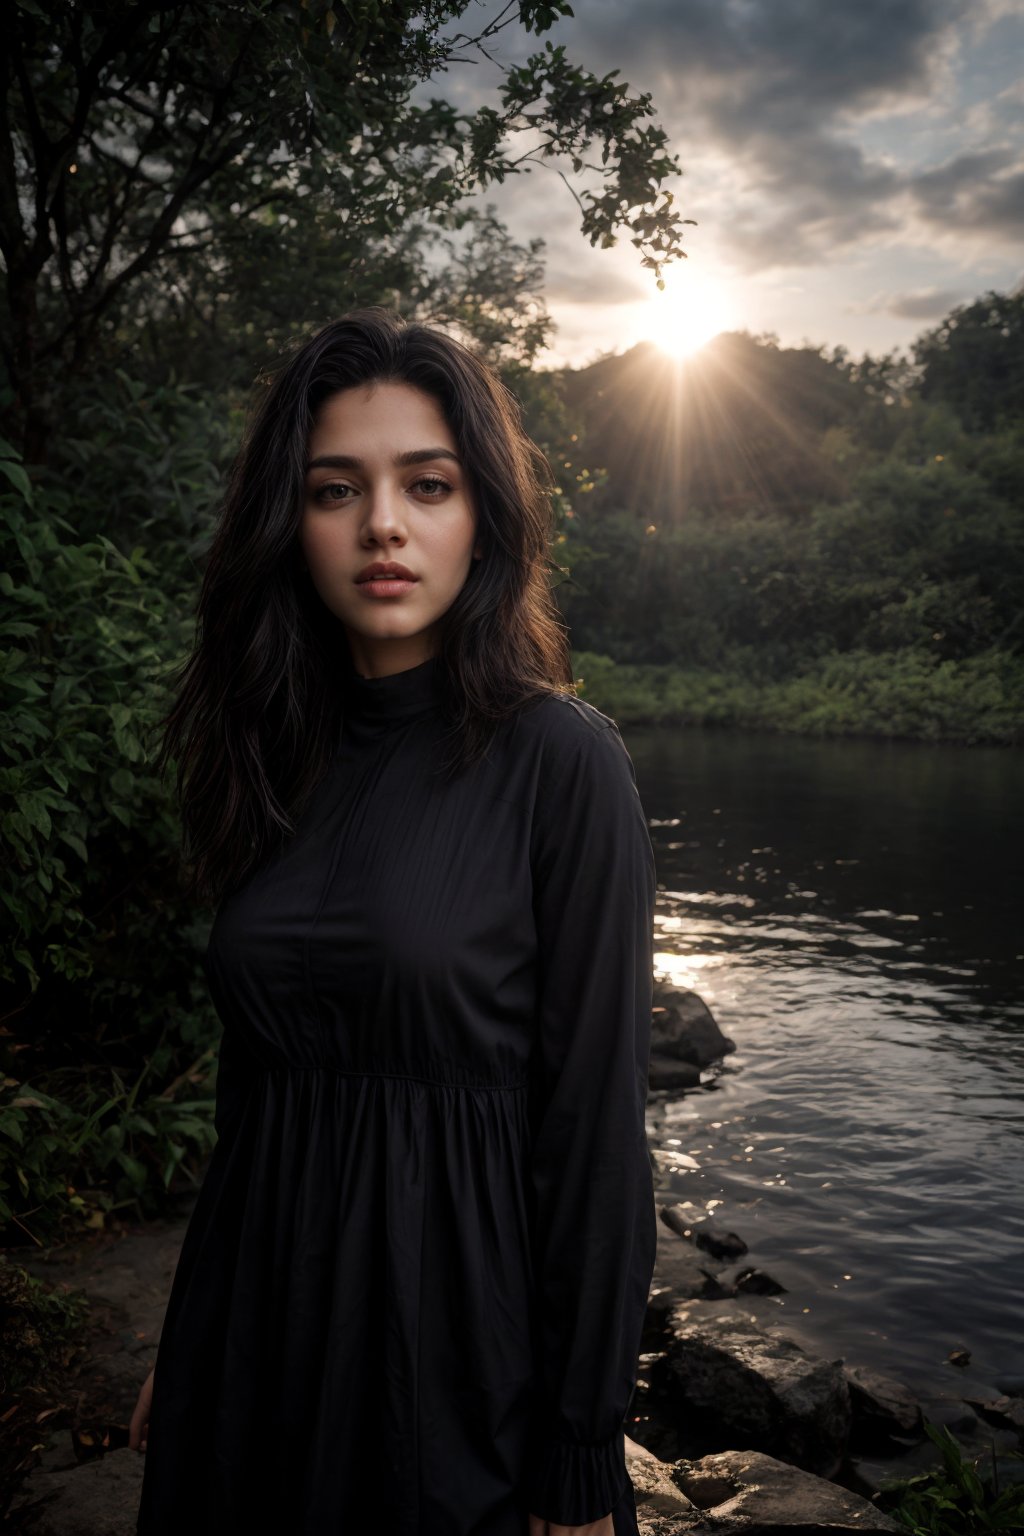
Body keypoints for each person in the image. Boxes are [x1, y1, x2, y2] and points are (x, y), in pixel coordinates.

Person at [131, 307, 658, 1536]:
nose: (383, 524)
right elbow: (255, 1098)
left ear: (482, 516)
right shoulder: (273, 757)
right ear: (290, 522)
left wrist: (582, 1448)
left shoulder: (557, 762)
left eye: (427, 484)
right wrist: (189, 1337)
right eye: (335, 489)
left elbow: (593, 1131)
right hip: (251, 1349)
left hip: (453, 1364)